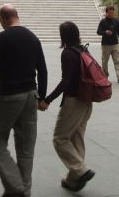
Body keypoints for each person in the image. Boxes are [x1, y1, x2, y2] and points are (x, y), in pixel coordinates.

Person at [0, 4, 48, 197]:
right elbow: (43, 70)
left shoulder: (2, 38)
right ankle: (24, 192)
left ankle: (15, 186)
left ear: (3, 19)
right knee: (26, 148)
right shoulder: (33, 37)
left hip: (9, 95)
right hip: (31, 95)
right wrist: (42, 97)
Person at [40, 21, 95, 192]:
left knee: (60, 138)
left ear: (63, 36)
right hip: (87, 100)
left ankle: (80, 170)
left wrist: (47, 99)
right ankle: (73, 180)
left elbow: (66, 81)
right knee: (76, 138)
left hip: (73, 101)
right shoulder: (83, 50)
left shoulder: (68, 53)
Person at [96, 6, 119, 84]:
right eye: (109, 13)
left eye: (112, 13)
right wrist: (105, 32)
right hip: (105, 45)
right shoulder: (103, 22)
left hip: (115, 44)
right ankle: (105, 76)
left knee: (117, 61)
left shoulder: (116, 21)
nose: (111, 14)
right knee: (105, 62)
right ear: (106, 13)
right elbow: (98, 32)